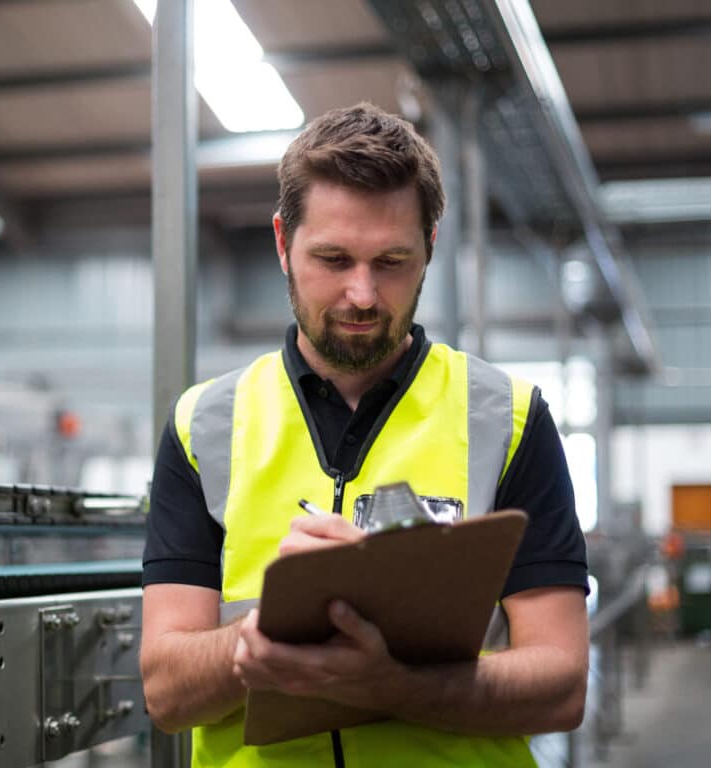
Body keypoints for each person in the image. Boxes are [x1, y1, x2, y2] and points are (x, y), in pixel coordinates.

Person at [140, 102, 589, 768]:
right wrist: (260, 637)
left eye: (391, 262)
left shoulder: (509, 418)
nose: (361, 294)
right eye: (334, 258)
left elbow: (561, 684)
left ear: (431, 247)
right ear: (281, 243)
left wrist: (397, 687)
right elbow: (166, 692)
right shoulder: (205, 425)